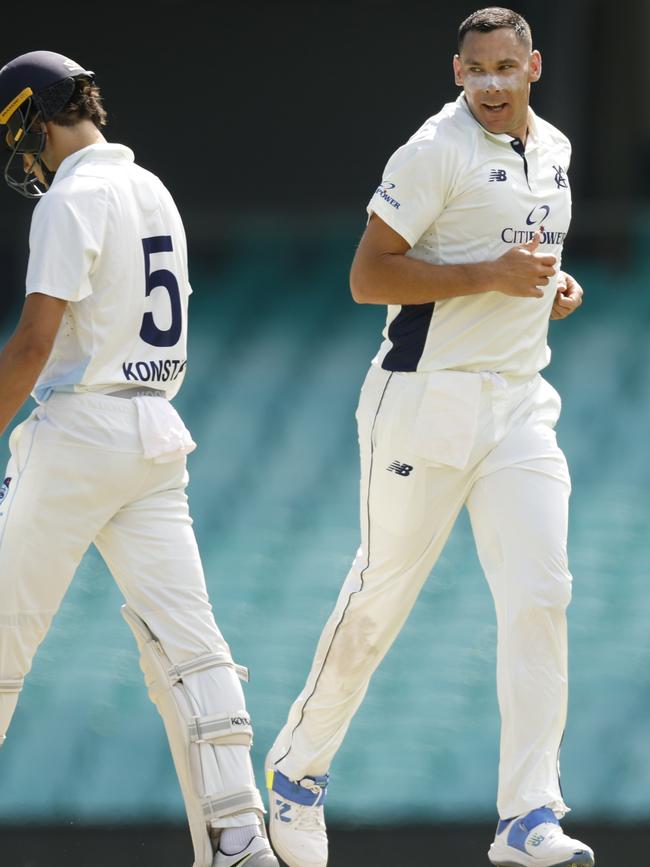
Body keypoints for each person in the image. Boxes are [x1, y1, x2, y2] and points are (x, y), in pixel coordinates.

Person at [265, 8, 594, 867]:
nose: (490, 83)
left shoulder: (553, 148)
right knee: (382, 596)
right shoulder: (431, 150)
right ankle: (298, 772)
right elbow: (367, 276)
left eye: (505, 66)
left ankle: (528, 813)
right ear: (456, 70)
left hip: (520, 403)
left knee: (542, 592)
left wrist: (553, 287)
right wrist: (488, 277)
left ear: (535, 66)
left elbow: (523, 252)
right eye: (475, 67)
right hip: (423, 401)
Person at [0, 51, 278, 867]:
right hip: (156, 432)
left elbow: (34, 342)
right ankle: (239, 837)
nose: (21, 159)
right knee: (192, 647)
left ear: (33, 121)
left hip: (82, 428)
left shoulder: (70, 197)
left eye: (18, 139)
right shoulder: (151, 187)